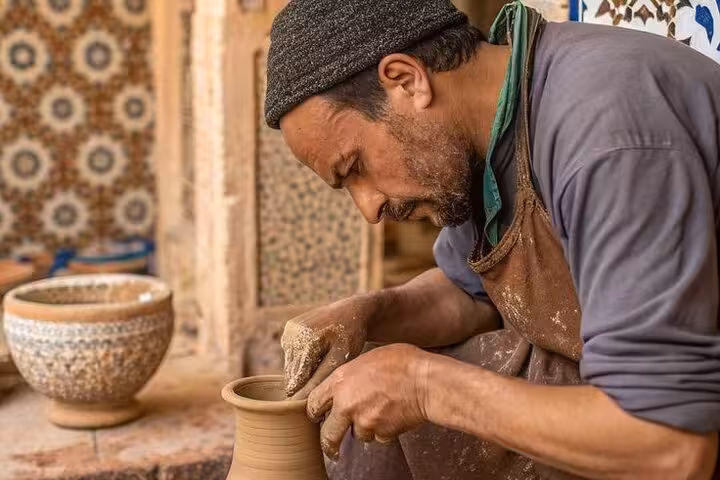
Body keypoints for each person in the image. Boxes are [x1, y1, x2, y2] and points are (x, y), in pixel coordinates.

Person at [264, 0, 720, 478]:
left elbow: (671, 447)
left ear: (406, 79)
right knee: (365, 418)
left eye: (355, 168)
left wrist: (425, 386)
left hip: (674, 429)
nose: (369, 209)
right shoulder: (485, 128)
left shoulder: (607, 138)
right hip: (626, 400)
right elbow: (471, 292)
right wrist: (371, 312)